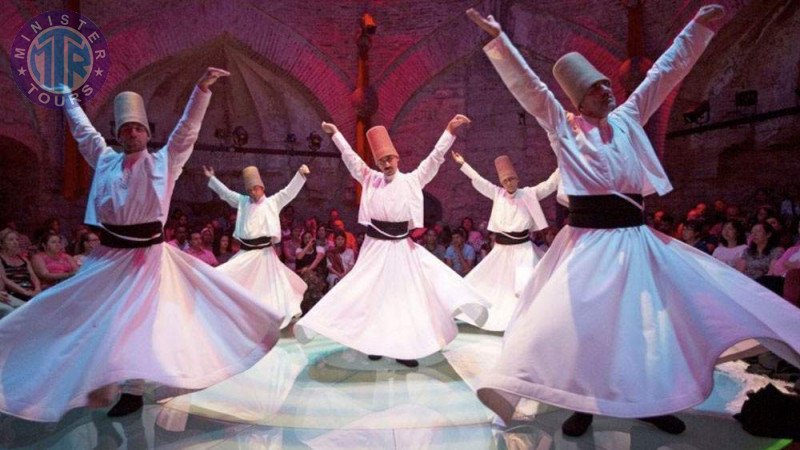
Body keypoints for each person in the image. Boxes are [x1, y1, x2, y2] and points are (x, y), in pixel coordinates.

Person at [468, 5, 800, 437]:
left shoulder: (627, 120)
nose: (608, 90)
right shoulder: (562, 127)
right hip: (587, 244)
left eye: (607, 84)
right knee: (586, 329)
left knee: (644, 325)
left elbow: (662, 76)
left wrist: (696, 29)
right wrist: (499, 39)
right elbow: (530, 89)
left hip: (636, 241)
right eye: (597, 88)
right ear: (579, 98)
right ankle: (583, 404)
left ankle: (651, 401)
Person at [0, 68, 283, 422]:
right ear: (118, 134)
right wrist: (68, 99)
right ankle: (70, 374)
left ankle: (132, 390)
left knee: (138, 323)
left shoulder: (165, 162)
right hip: (107, 258)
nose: (131, 133)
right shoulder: (104, 160)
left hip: (148, 259)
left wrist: (201, 90)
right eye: (125, 129)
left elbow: (186, 132)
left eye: (137, 128)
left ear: (147, 133)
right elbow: (83, 132)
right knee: (78, 313)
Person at [295, 117, 488, 368]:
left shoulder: (412, 180)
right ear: (377, 163)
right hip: (375, 247)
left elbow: (434, 159)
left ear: (397, 158)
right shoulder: (370, 178)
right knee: (373, 296)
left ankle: (404, 349)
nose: (386, 164)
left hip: (400, 247)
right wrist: (336, 135)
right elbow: (351, 158)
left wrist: (449, 131)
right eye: (381, 160)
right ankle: (374, 344)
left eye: (389, 159)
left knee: (402, 298)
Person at [452, 151, 559, 330]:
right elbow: (480, 181)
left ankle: (526, 322)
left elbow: (549, 184)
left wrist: (563, 163)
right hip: (502, 249)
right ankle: (495, 318)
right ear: (502, 182)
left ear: (517, 179)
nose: (509, 183)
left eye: (511, 179)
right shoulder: (497, 193)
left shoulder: (529, 194)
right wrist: (463, 164)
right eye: (505, 181)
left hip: (523, 249)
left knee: (525, 286)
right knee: (490, 285)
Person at [205, 164, 309, 329]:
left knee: (270, 291)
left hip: (264, 254)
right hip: (246, 253)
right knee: (226, 278)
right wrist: (212, 178)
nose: (252, 192)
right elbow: (225, 194)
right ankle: (236, 320)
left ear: (262, 187)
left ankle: (267, 323)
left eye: (255, 189)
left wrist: (300, 175)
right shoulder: (243, 202)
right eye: (250, 190)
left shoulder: (273, 202)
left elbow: (289, 192)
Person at [0, 228, 40, 301]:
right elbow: (5, 280)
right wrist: (25, 292)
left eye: (17, 240)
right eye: (11, 240)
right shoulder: (1, 259)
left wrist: (37, 289)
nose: (15, 242)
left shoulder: (23, 259)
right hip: (14, 293)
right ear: (2, 244)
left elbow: (33, 276)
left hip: (30, 290)